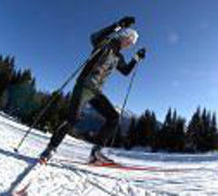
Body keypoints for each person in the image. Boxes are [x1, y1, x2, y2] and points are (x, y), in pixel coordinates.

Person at [40, 16, 146, 162]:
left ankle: (95, 153)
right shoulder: (105, 43)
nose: (130, 44)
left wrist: (136, 58)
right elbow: (94, 37)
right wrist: (118, 25)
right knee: (73, 118)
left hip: (96, 90)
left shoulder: (118, 57)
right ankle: (50, 149)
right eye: (130, 40)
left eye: (132, 44)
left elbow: (126, 71)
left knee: (114, 117)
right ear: (124, 36)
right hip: (84, 85)